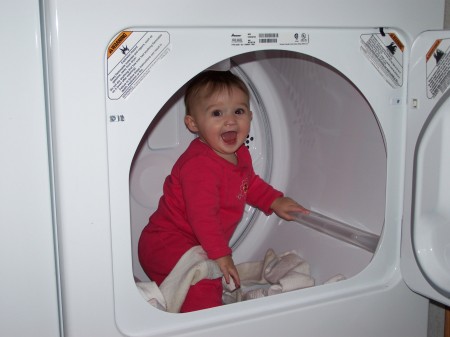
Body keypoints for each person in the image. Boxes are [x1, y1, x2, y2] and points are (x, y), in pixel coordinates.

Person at [138, 70, 309, 313]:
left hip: (192, 245)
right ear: (193, 123)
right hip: (167, 244)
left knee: (210, 284)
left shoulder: (241, 154)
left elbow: (249, 184)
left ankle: (157, 296)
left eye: (238, 111)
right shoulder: (199, 165)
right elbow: (203, 216)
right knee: (205, 294)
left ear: (250, 116)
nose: (230, 120)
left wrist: (274, 200)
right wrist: (221, 255)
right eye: (217, 113)